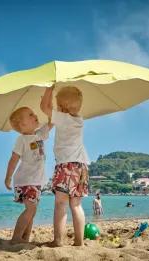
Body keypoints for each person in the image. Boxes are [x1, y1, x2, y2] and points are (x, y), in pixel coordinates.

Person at [41, 85, 89, 247]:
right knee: (76, 204)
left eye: (58, 106)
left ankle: (58, 241)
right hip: (81, 166)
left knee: (60, 204)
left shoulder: (63, 118)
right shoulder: (78, 120)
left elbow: (44, 107)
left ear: (62, 108)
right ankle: (79, 242)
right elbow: (53, 118)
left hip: (66, 166)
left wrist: (49, 89)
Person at [5, 107, 50, 244]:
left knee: (32, 210)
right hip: (26, 181)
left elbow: (51, 122)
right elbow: (14, 159)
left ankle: (25, 238)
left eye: (34, 113)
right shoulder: (22, 139)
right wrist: (8, 177)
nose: (35, 115)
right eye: (30, 115)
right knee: (31, 209)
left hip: (35, 182)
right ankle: (16, 237)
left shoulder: (39, 135)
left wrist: (51, 110)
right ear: (22, 125)